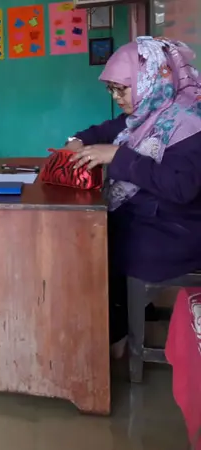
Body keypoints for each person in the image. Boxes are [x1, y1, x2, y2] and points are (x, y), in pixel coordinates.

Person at [66, 37, 201, 357]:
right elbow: (103, 131)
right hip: (155, 215)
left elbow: (180, 188)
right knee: (94, 233)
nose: (117, 98)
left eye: (122, 89)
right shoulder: (148, 112)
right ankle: (126, 315)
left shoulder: (191, 122)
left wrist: (119, 157)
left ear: (153, 77)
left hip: (181, 229)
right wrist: (76, 140)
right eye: (111, 90)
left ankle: (118, 326)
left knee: (97, 244)